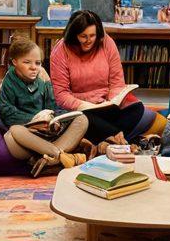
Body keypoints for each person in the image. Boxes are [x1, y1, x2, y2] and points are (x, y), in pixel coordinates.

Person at [49, 10, 154, 145]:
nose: (88, 41)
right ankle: (118, 138)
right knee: (84, 119)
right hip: (80, 108)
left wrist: (112, 101)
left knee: (137, 108)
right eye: (83, 36)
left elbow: (117, 82)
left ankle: (105, 137)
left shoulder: (106, 42)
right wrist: (82, 104)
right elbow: (61, 94)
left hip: (106, 104)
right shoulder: (60, 51)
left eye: (92, 36)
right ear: (74, 35)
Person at [0, 37, 90, 177]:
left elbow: (54, 108)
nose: (34, 67)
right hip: (28, 140)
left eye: (38, 63)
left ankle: (48, 159)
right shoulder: (8, 82)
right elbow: (7, 113)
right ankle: (59, 155)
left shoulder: (44, 80)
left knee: (82, 119)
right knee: (13, 132)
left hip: (49, 134)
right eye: (27, 62)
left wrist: (55, 120)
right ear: (15, 62)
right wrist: (33, 119)